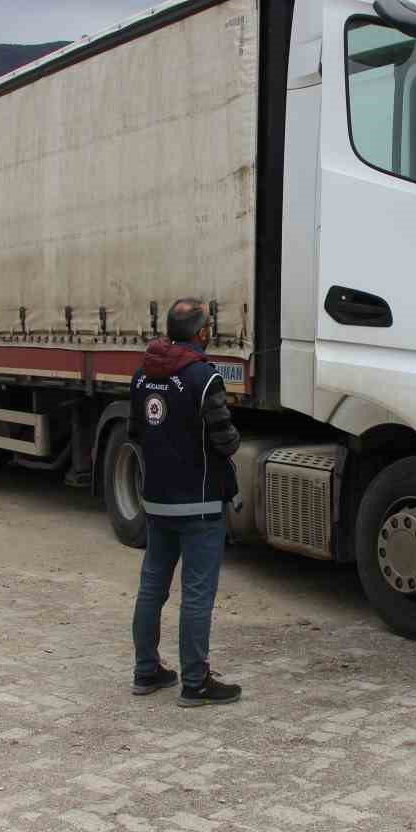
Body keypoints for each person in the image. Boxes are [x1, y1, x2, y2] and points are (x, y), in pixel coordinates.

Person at [129, 297, 242, 707]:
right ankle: (195, 683)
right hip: (200, 503)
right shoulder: (203, 378)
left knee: (152, 586)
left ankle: (146, 671)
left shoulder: (143, 375)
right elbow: (225, 440)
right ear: (201, 333)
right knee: (196, 593)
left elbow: (136, 431)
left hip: (157, 501)